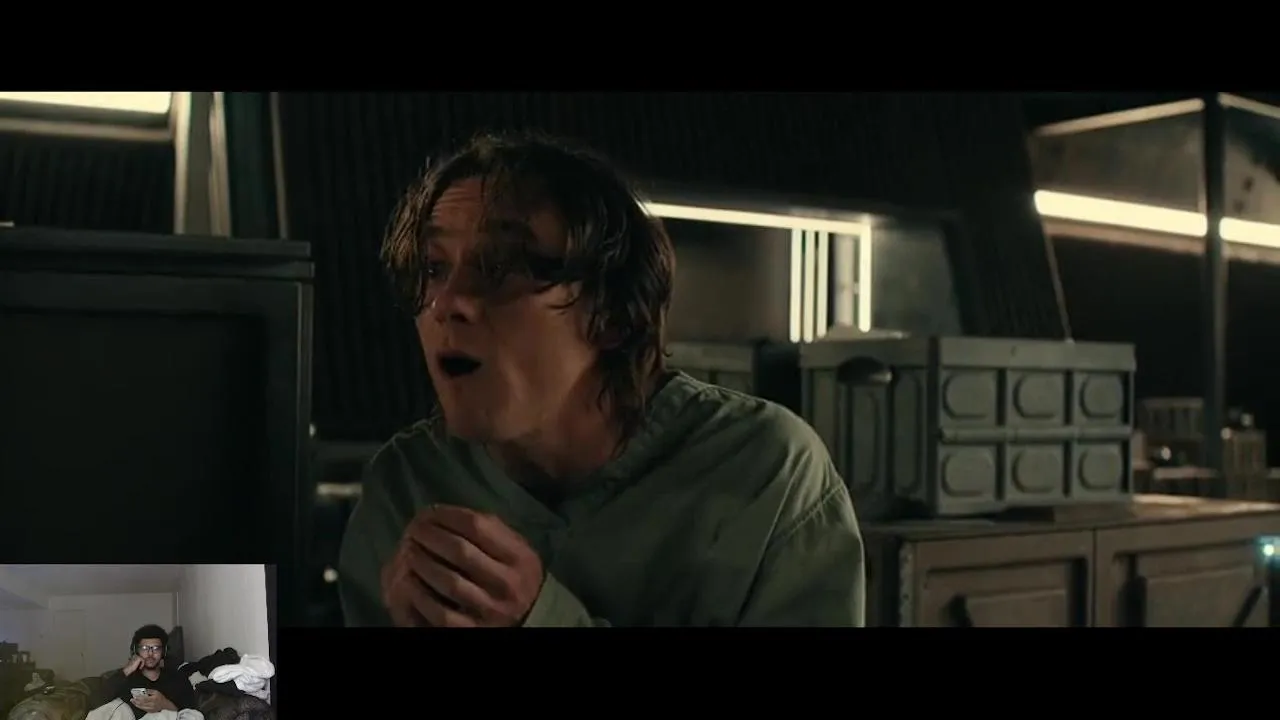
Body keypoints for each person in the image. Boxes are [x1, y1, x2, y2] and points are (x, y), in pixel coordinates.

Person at [337, 132, 865, 627]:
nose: (447, 303)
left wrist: (543, 618)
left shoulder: (767, 475)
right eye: (433, 268)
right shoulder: (406, 486)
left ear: (611, 313)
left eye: (501, 266)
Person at [100, 625, 196, 718]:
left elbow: (192, 714)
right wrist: (127, 669)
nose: (150, 653)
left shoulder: (177, 678)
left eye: (156, 648)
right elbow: (100, 701)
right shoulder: (127, 678)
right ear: (136, 651)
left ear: (164, 651)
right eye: (144, 648)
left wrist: (165, 704)